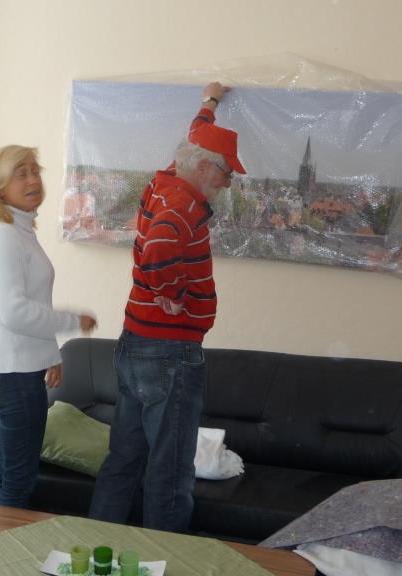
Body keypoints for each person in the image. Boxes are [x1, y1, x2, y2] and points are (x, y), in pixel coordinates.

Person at [89, 82, 246, 532]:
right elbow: (159, 245)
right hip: (169, 354)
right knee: (171, 471)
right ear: (202, 167)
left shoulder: (169, 178)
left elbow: (197, 134)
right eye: (225, 173)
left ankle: (97, 544)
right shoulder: (182, 203)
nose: (228, 182)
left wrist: (209, 103)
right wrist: (172, 293)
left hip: (136, 344)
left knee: (125, 458)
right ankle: (166, 557)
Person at [0, 145, 96, 510]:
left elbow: (32, 303)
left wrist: (49, 353)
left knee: (10, 472)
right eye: (20, 173)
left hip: (18, 368)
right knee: (19, 480)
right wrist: (73, 321)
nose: (32, 180)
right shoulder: (4, 236)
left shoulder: (19, 229)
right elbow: (15, 312)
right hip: (13, 376)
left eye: (35, 171)